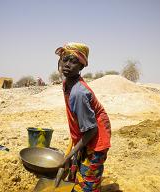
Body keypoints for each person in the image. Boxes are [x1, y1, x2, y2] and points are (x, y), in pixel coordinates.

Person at [55, 42, 111, 192]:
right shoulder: (67, 82)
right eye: (65, 59)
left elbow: (91, 130)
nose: (67, 65)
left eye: (74, 62)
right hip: (84, 132)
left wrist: (68, 156)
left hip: (96, 137)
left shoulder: (78, 93)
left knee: (88, 181)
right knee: (76, 169)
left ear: (81, 67)